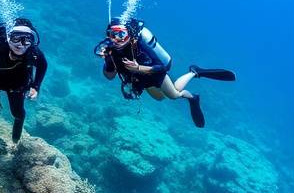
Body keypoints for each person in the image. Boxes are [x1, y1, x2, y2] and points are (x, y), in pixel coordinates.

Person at [95, 17, 236, 127]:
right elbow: (109, 77)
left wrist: (138, 68)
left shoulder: (140, 46)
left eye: (121, 34)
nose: (116, 39)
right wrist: (108, 60)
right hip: (138, 79)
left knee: (173, 95)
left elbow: (161, 67)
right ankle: (191, 76)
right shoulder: (110, 50)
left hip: (154, 74)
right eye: (111, 34)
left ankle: (194, 77)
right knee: (160, 98)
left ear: (130, 34)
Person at [0, 18, 47, 143]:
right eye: (16, 38)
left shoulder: (33, 53)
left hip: (17, 86)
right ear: (8, 36)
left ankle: (15, 139)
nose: (20, 44)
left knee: (18, 113)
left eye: (26, 39)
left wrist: (35, 86)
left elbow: (43, 66)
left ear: (32, 40)